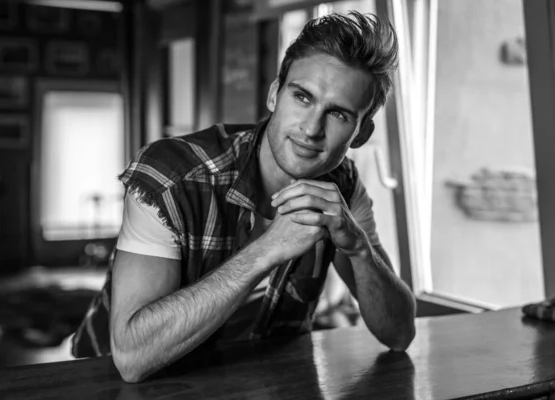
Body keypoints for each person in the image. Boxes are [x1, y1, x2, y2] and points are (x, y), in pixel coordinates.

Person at [71, 10, 416, 383]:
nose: (311, 129)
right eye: (302, 97)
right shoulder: (171, 175)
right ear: (274, 94)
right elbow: (131, 357)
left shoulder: (343, 186)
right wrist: (268, 249)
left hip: (248, 381)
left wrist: (359, 249)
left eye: (338, 115)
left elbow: (398, 334)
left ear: (361, 134)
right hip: (102, 382)